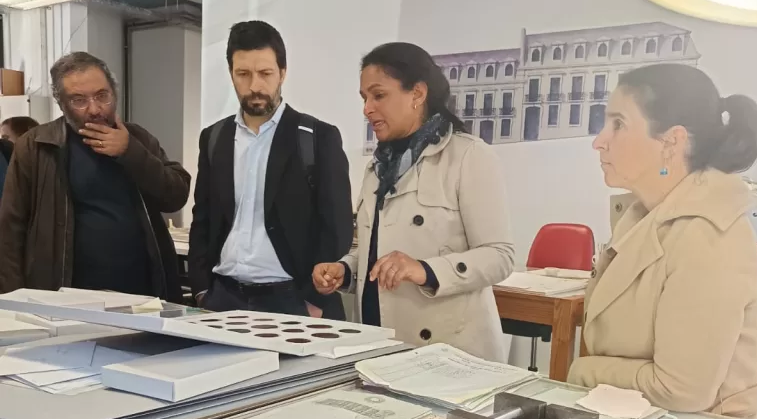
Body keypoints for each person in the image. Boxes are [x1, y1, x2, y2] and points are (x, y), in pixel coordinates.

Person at [568, 63, 757, 418]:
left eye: (618, 124)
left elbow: (681, 390)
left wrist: (583, 371)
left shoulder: (709, 236)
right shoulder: (644, 215)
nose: (599, 141)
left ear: (671, 142)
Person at [313, 42, 515, 361]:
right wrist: (345, 270)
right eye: (364, 98)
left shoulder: (468, 156)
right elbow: (377, 250)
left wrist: (426, 270)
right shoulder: (377, 168)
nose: (367, 108)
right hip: (378, 344)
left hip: (449, 352)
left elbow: (499, 256)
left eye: (378, 95)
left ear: (417, 94)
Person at [188, 20, 353, 317]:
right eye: (243, 74)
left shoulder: (318, 137)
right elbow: (203, 218)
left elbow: (337, 227)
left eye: (265, 73)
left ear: (282, 73)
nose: (255, 86)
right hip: (223, 297)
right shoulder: (213, 138)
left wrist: (313, 301)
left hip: (292, 301)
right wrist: (201, 290)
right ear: (231, 74)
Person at [0, 52, 190, 301]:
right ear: (61, 103)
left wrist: (130, 151)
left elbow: (175, 196)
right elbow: (11, 229)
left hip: (143, 293)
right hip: (65, 295)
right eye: (79, 100)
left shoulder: (138, 138)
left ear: (114, 92)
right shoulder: (36, 145)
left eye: (102, 96)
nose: (94, 109)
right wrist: (14, 300)